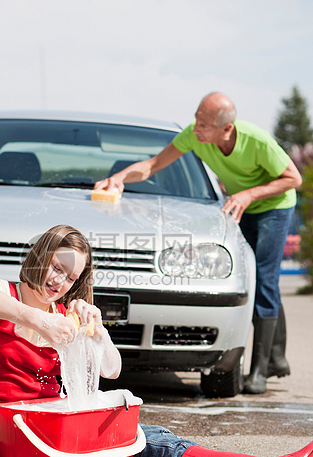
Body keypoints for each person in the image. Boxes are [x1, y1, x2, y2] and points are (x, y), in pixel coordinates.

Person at [0, 224, 312, 457]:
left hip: (52, 423)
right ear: (39, 255)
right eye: (56, 267)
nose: (59, 281)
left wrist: (96, 331)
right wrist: (38, 319)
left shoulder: (68, 314)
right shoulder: (0, 294)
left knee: (152, 441)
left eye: (70, 277)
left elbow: (112, 370)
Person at [94, 92, 303, 394]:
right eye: (196, 118)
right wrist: (120, 177)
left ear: (226, 129)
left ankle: (259, 371)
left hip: (273, 205)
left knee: (265, 280)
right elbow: (153, 165)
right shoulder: (194, 136)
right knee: (260, 280)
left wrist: (248, 194)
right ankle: (278, 359)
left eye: (203, 123)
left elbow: (293, 178)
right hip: (240, 205)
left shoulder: (257, 141)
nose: (196, 127)